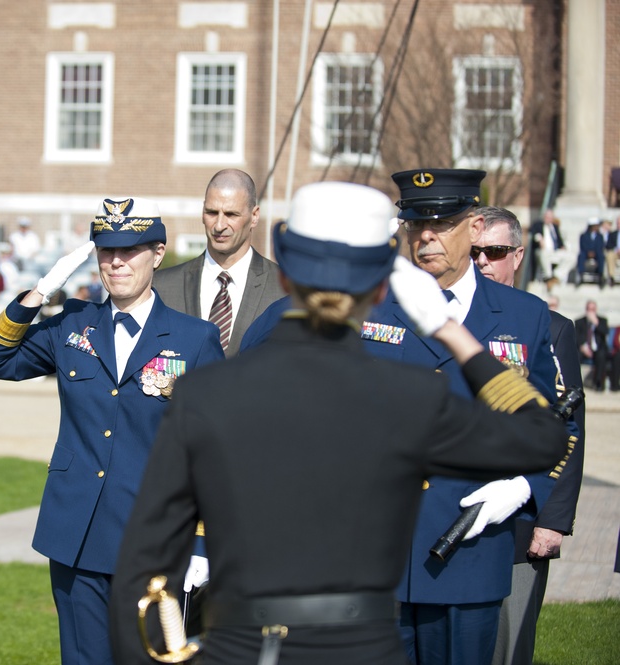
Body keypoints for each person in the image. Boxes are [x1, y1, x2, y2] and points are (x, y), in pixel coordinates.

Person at [108, 182, 568, 665]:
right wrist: (451, 332)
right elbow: (543, 438)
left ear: (285, 276)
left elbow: (143, 564)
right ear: (381, 288)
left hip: (239, 644)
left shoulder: (207, 393)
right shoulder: (409, 397)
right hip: (360, 646)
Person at [0, 196, 224, 665]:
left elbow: (217, 452)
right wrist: (39, 293)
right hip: (76, 536)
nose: (117, 262)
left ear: (158, 252)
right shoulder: (73, 325)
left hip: (154, 542)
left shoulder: (194, 338)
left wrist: (203, 544)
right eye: (106, 250)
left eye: (130, 250)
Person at [362, 169, 561, 665]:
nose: (426, 236)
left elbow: (559, 424)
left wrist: (523, 486)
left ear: (474, 228)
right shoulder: (370, 306)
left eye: (443, 222)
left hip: (468, 552)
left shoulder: (523, 316)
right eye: (415, 224)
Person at [470, 207, 585, 665]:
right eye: (475, 251)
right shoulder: (450, 319)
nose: (482, 261)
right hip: (455, 511)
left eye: (494, 252)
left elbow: (566, 429)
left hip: (523, 520)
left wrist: (552, 518)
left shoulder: (552, 328)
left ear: (518, 256)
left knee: (509, 644)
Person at [152, 169, 282, 356]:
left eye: (231, 214)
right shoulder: (162, 287)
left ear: (254, 216)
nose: (219, 226)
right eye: (212, 213)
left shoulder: (282, 288)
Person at [528, 209, 571, 289]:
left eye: (549, 217)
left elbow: (559, 241)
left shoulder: (555, 227)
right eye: (546, 217)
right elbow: (532, 232)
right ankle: (548, 276)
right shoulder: (538, 225)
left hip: (555, 251)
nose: (547, 219)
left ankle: (556, 276)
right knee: (544, 254)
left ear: (552, 218)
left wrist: (562, 247)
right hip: (542, 251)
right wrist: (539, 238)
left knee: (571, 257)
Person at [575, 299, 609, 391]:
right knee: (575, 356)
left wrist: (596, 323)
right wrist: (582, 347)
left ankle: (598, 383)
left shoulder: (602, 320)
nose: (590, 311)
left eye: (592, 309)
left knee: (601, 355)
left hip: (597, 348)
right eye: (589, 309)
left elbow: (605, 332)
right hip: (584, 349)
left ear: (596, 309)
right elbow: (576, 336)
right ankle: (574, 383)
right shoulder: (579, 321)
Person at [576, 219, 605, 285]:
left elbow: (600, 246)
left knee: (601, 256)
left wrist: (594, 252)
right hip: (586, 252)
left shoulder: (600, 236)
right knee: (581, 256)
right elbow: (582, 245)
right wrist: (588, 252)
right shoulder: (583, 235)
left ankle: (600, 275)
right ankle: (581, 275)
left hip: (596, 253)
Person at [602, 218, 617, 286]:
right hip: (615, 252)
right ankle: (611, 277)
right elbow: (609, 245)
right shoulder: (613, 234)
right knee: (610, 254)